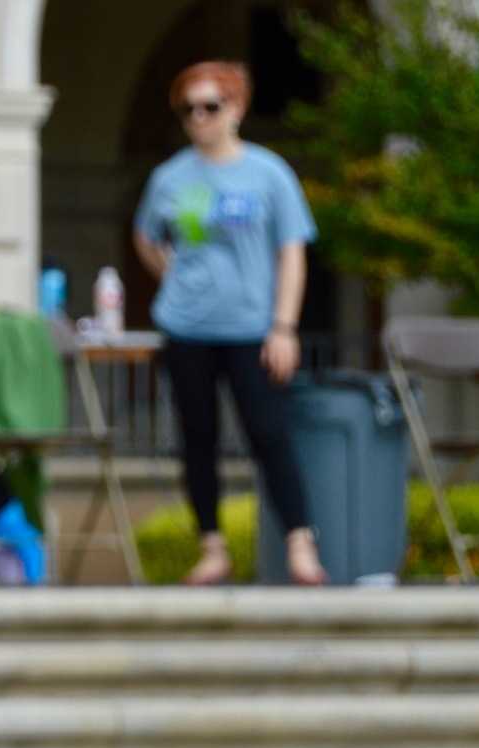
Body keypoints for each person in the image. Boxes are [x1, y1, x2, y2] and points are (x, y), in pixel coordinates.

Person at [134, 60, 324, 587]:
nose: (199, 117)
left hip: (251, 328)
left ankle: (300, 544)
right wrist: (175, 277)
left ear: (236, 108)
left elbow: (292, 252)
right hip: (187, 327)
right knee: (197, 438)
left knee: (269, 434)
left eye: (210, 106)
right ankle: (212, 548)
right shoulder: (169, 177)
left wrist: (283, 326)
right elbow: (147, 237)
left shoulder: (268, 173)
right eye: (188, 109)